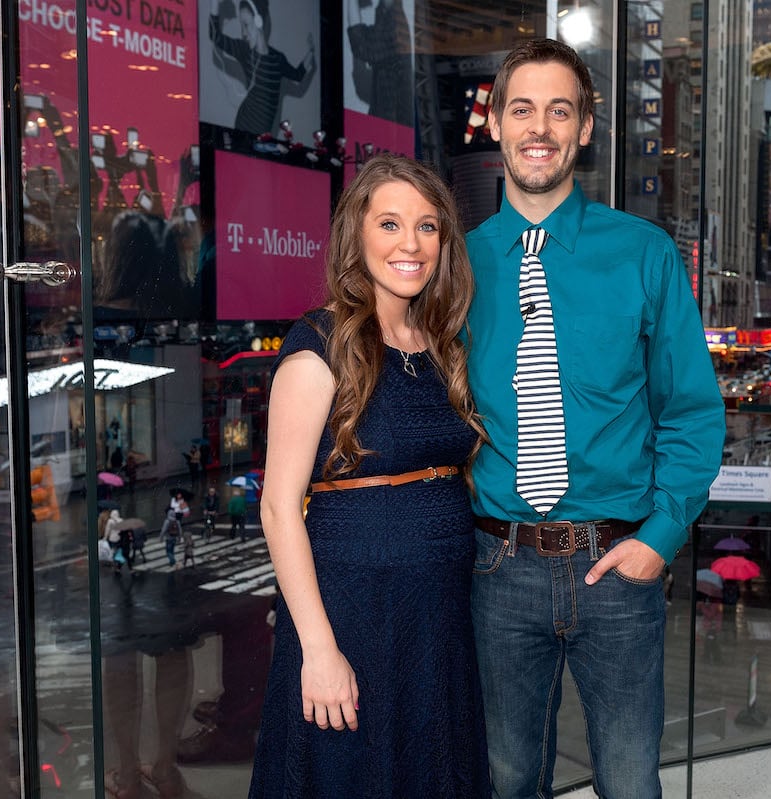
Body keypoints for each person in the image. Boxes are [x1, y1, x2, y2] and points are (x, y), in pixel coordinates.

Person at [464, 39, 725, 796]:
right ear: (493, 124)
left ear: (583, 129)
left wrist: (661, 537)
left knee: (629, 781)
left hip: (619, 566)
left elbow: (691, 411)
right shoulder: (457, 263)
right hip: (497, 567)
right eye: (521, 109)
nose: (537, 127)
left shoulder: (644, 253)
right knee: (509, 779)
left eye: (558, 110)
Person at [248, 154, 488, 797]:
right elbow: (278, 509)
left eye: (428, 227)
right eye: (390, 223)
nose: (411, 244)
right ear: (356, 234)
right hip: (352, 614)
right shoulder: (319, 345)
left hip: (436, 620)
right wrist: (319, 652)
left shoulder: (441, 345)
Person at [207, 1, 316, 135]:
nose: (244, 33)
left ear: (259, 22)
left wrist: (311, 51)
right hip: (244, 127)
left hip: (264, 133)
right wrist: (214, 3)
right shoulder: (244, 50)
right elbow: (215, 35)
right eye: (242, 27)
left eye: (246, 25)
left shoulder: (278, 59)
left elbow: (298, 75)